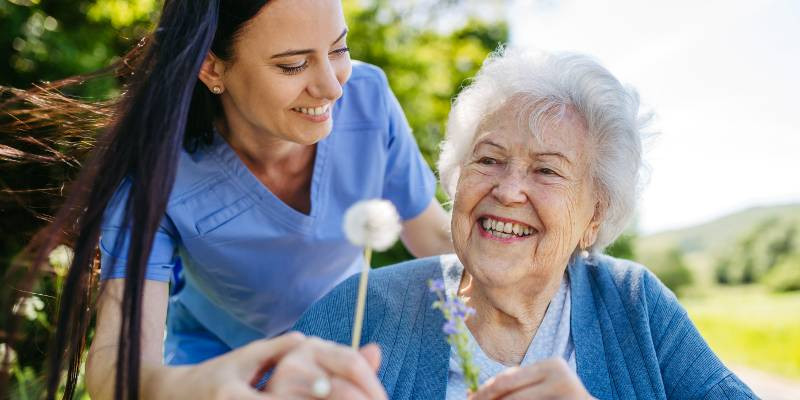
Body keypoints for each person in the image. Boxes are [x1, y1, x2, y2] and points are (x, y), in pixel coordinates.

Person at [6, 0, 450, 398]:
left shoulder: (368, 101)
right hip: (215, 369)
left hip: (351, 349)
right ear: (212, 68)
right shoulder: (156, 171)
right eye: (294, 65)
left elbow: (433, 236)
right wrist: (208, 384)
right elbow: (115, 371)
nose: (333, 87)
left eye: (338, 49)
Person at [290, 49, 757, 399]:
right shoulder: (360, 309)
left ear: (594, 216)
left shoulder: (634, 304)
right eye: (488, 160)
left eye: (547, 170)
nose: (509, 190)